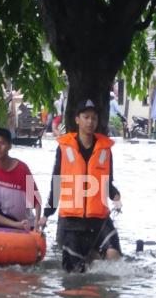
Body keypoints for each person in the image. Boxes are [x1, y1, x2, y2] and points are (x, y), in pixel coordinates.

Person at [40, 99, 122, 273]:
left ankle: (106, 290)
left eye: (94, 118)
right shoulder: (63, 148)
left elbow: (108, 184)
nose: (90, 122)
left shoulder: (105, 150)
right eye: (86, 117)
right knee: (75, 273)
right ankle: (90, 259)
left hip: (99, 219)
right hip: (72, 221)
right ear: (77, 119)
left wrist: (116, 197)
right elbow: (57, 183)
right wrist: (47, 214)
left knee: (113, 254)